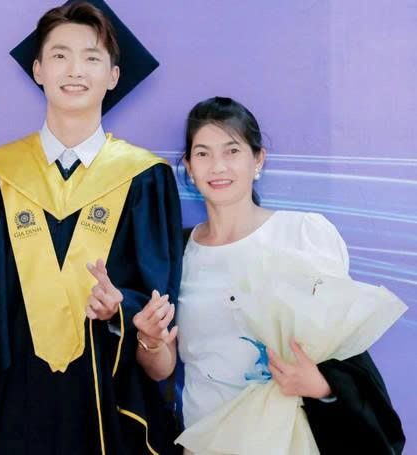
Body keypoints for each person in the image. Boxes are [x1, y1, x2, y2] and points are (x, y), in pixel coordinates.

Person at [0, 0, 183, 454]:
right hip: (11, 411)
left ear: (113, 76)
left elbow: (158, 301)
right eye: (60, 55)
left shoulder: (145, 179)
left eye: (91, 57)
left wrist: (121, 308)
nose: (75, 70)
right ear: (38, 70)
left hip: (110, 408)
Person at [173, 96, 405, 453]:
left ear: (258, 159)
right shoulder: (178, 252)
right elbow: (165, 361)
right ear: (189, 166)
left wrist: (321, 386)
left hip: (288, 441)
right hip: (205, 441)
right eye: (203, 154)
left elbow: (341, 348)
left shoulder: (302, 234)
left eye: (232, 151)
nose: (218, 166)